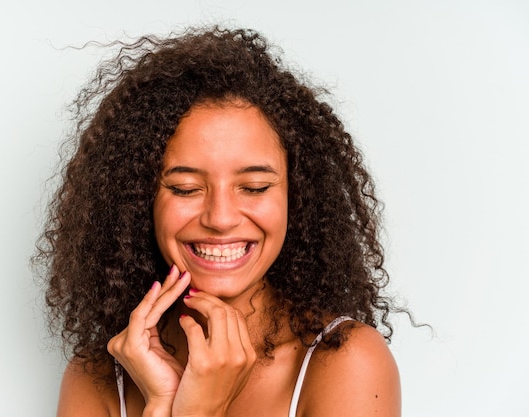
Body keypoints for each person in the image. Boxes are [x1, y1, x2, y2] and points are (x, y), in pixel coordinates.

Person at [36, 27, 402, 417]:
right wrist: (166, 403)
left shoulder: (346, 360)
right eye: (185, 188)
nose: (221, 218)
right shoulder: (97, 377)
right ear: (138, 200)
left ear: (296, 197)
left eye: (255, 187)